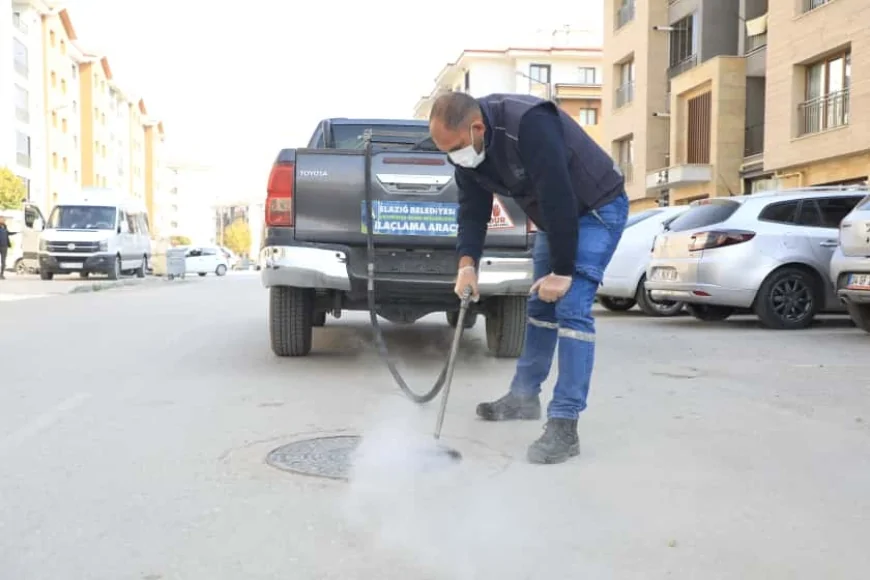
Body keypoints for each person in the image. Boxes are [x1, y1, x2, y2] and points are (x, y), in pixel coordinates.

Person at [428, 92, 629, 464]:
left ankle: (564, 424)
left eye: (455, 148)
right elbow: (472, 209)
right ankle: (523, 397)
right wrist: (467, 265)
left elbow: (559, 193)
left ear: (477, 128)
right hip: (556, 216)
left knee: (571, 308)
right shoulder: (468, 154)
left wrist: (563, 271)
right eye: (446, 152)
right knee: (539, 304)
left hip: (596, 208)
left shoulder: (529, 124)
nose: (453, 157)